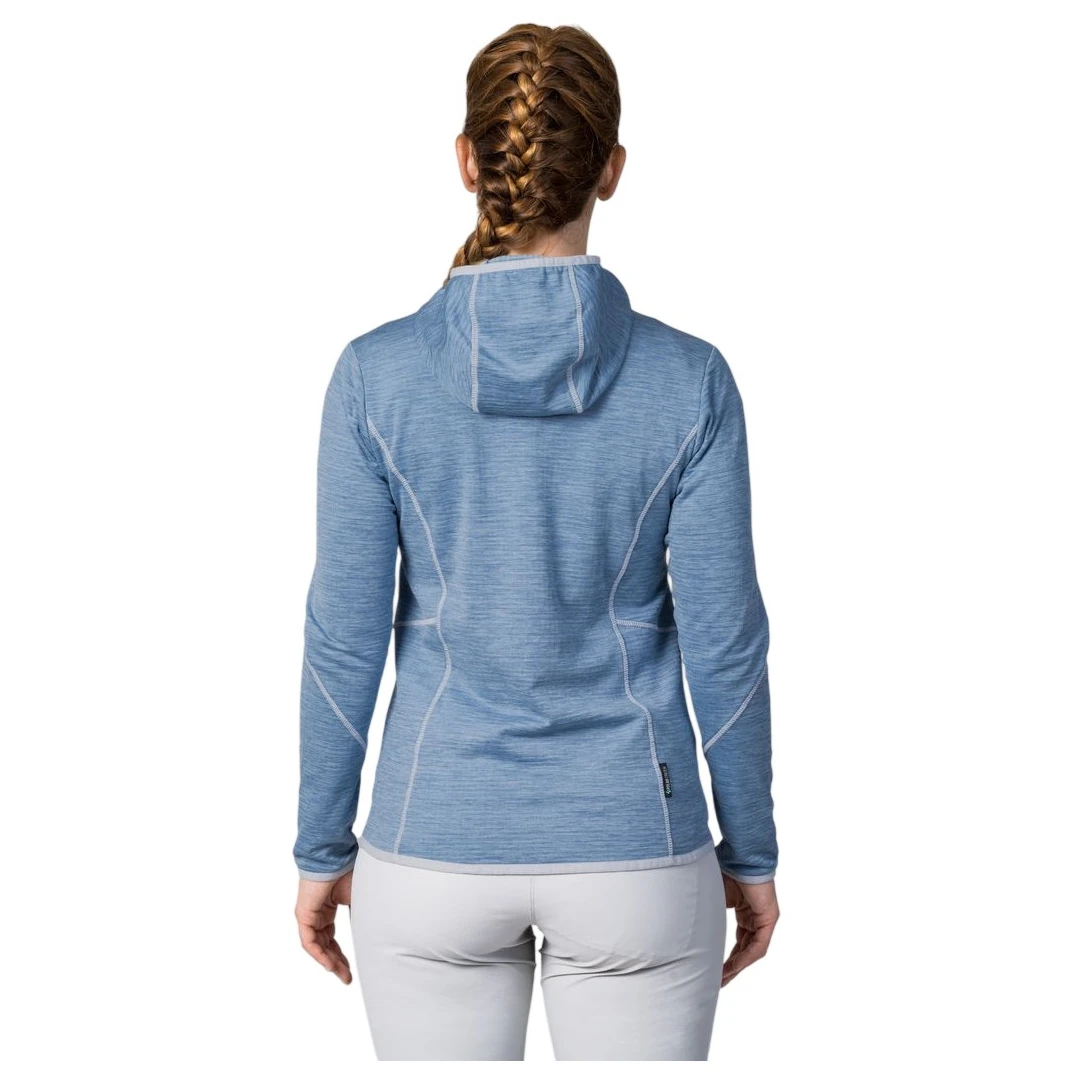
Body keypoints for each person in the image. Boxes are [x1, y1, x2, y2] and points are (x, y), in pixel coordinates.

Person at [292, 22, 780, 1062]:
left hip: (430, 847)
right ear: (611, 169)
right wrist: (751, 851)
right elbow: (726, 641)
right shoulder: (690, 381)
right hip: (636, 854)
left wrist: (321, 846)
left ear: (467, 162)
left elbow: (343, 637)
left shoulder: (374, 377)